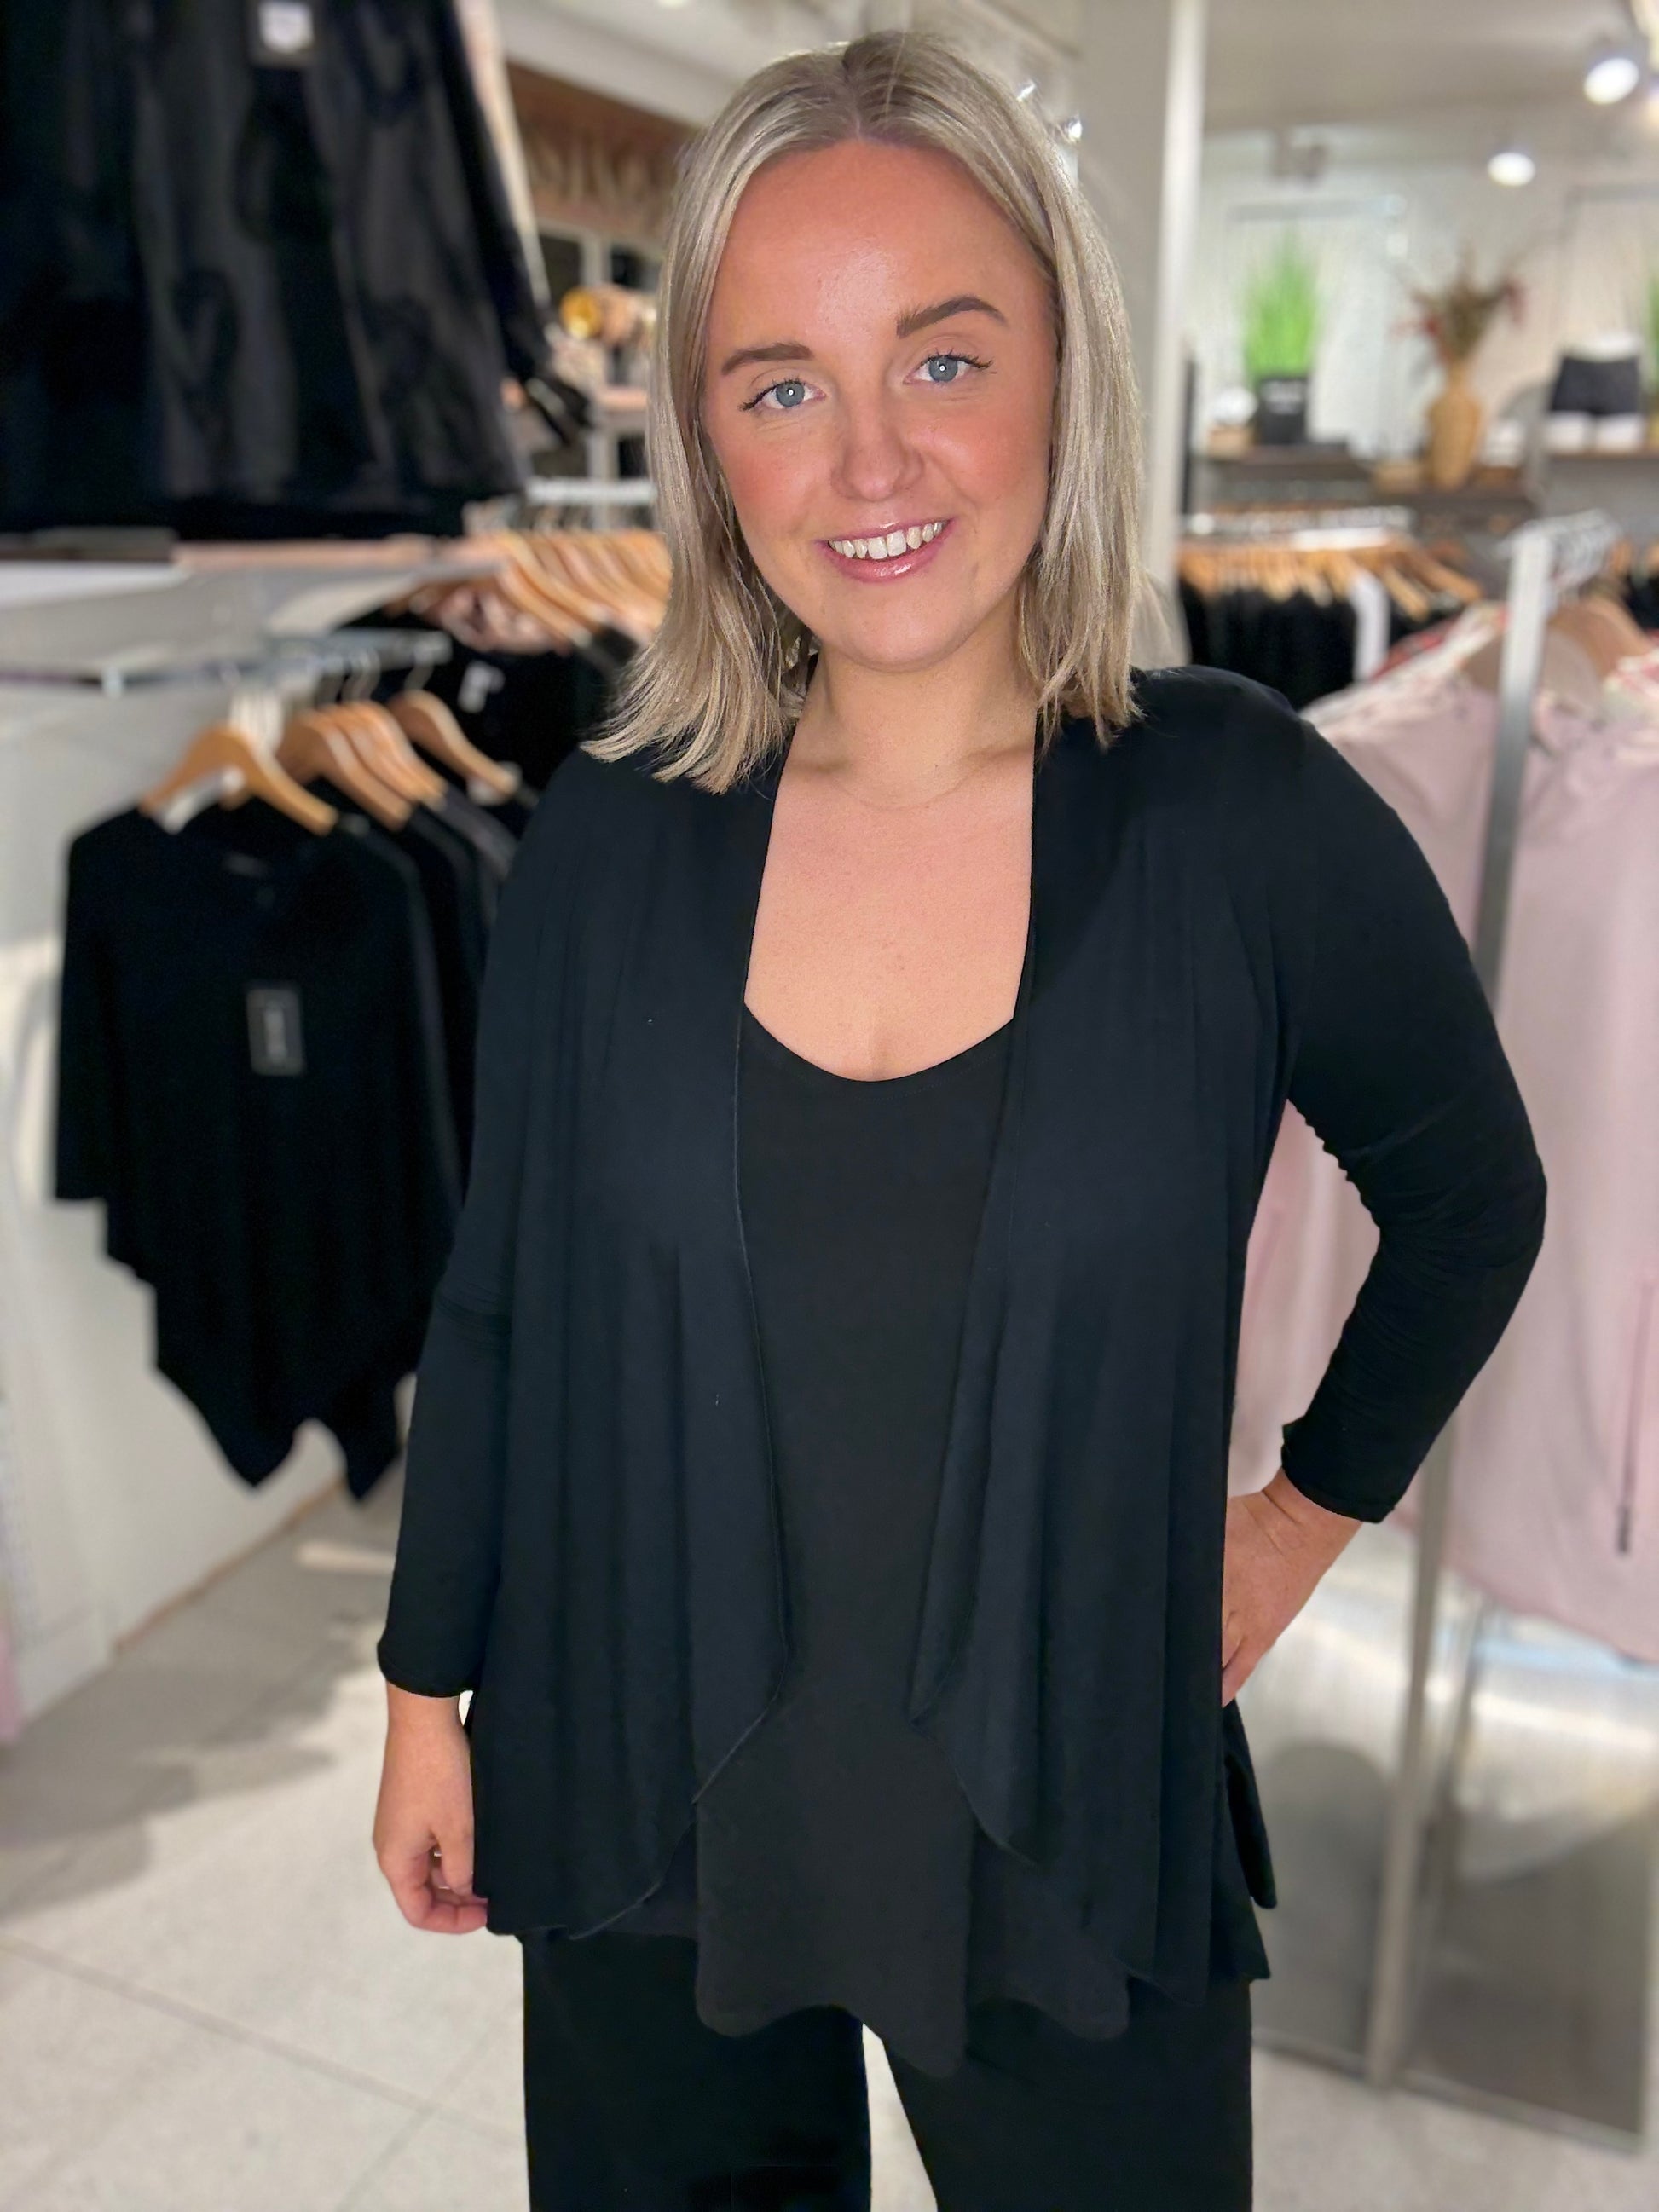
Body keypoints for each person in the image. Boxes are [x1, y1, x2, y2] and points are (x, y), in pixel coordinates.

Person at [373, 30, 1546, 2211]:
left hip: (1069, 1817)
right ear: (703, 439)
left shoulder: (1239, 816)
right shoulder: (614, 834)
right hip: (634, 1790)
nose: (868, 457)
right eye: (779, 384)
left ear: (1061, 373)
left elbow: (1474, 1201)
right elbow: (500, 1303)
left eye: (942, 355)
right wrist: (423, 1689)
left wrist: (1300, 1517)